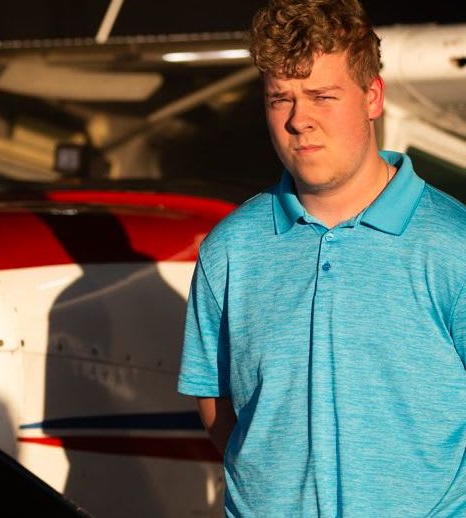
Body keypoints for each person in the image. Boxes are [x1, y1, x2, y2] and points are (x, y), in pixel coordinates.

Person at [176, 0, 466, 516]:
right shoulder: (229, 249)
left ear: (373, 96)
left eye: (322, 96)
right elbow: (216, 403)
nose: (299, 120)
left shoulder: (453, 244)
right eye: (280, 99)